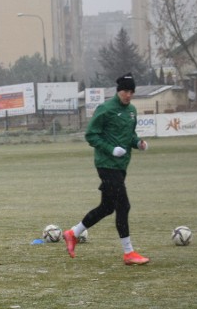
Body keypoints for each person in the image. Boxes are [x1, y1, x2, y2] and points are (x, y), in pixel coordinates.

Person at [63, 73, 150, 265]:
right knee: (123, 206)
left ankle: (73, 233)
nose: (129, 95)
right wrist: (111, 149)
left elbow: (130, 136)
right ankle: (129, 253)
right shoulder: (106, 109)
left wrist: (138, 143)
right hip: (106, 164)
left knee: (107, 207)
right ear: (118, 91)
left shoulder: (132, 111)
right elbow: (91, 135)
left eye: (131, 91)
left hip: (121, 166)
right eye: (125, 91)